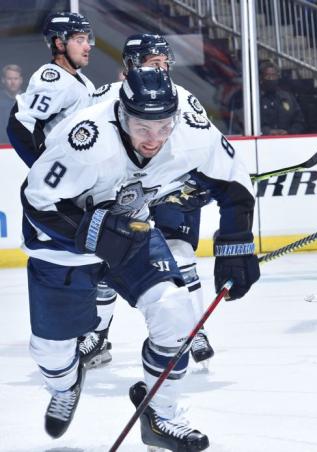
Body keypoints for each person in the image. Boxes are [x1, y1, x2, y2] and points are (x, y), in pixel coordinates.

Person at [21, 67, 259, 449]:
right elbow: (37, 201)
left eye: (164, 127)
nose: (154, 140)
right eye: (143, 128)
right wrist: (94, 232)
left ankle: (161, 415)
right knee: (52, 350)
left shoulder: (192, 130)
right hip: (61, 246)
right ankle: (63, 384)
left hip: (132, 232)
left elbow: (235, 186)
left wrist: (236, 244)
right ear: (121, 114)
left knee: (175, 311)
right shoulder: (85, 139)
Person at [89, 33, 216, 368]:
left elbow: (207, 148)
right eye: (153, 62)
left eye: (165, 63)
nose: (162, 69)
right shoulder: (104, 98)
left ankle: (193, 330)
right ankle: (96, 337)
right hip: (125, 195)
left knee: (181, 254)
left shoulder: (184, 98)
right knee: (106, 264)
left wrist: (202, 182)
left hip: (172, 191)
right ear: (131, 65)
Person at [6, 12, 95, 167]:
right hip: (63, 179)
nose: (88, 46)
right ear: (60, 44)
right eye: (80, 40)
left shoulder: (84, 82)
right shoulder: (53, 80)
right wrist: (44, 169)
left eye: (88, 39)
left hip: (81, 172)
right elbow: (20, 124)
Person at [259, 60, 305, 135]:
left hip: (287, 141)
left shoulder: (288, 98)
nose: (271, 78)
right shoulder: (256, 100)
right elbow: (251, 125)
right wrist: (268, 132)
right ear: (261, 78)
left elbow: (299, 122)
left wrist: (289, 132)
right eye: (267, 76)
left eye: (273, 75)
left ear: (278, 77)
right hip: (263, 142)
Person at [0, 64, 23, 143]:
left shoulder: (28, 99)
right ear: (3, 80)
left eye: (16, 78)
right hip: (3, 146)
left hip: (25, 146)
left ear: (21, 80)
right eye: (9, 79)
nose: (13, 82)